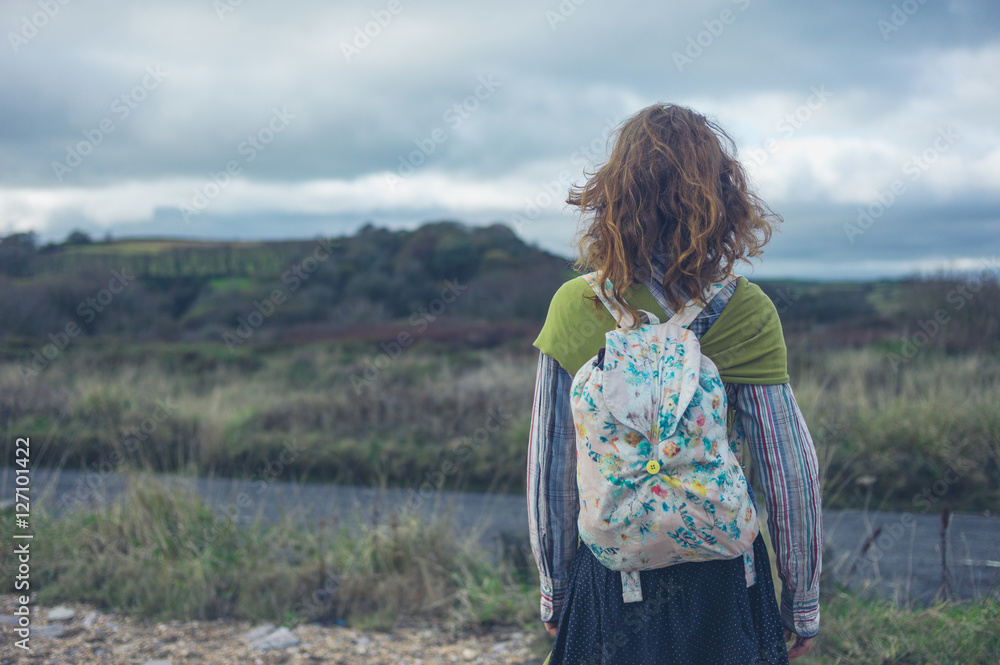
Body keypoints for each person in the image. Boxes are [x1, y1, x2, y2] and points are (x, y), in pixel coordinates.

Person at [526, 103, 823, 664]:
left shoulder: (576, 304)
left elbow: (551, 465)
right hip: (726, 579)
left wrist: (555, 588)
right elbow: (789, 470)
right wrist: (802, 598)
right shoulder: (746, 309)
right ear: (722, 198)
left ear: (612, 195)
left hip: (612, 574)